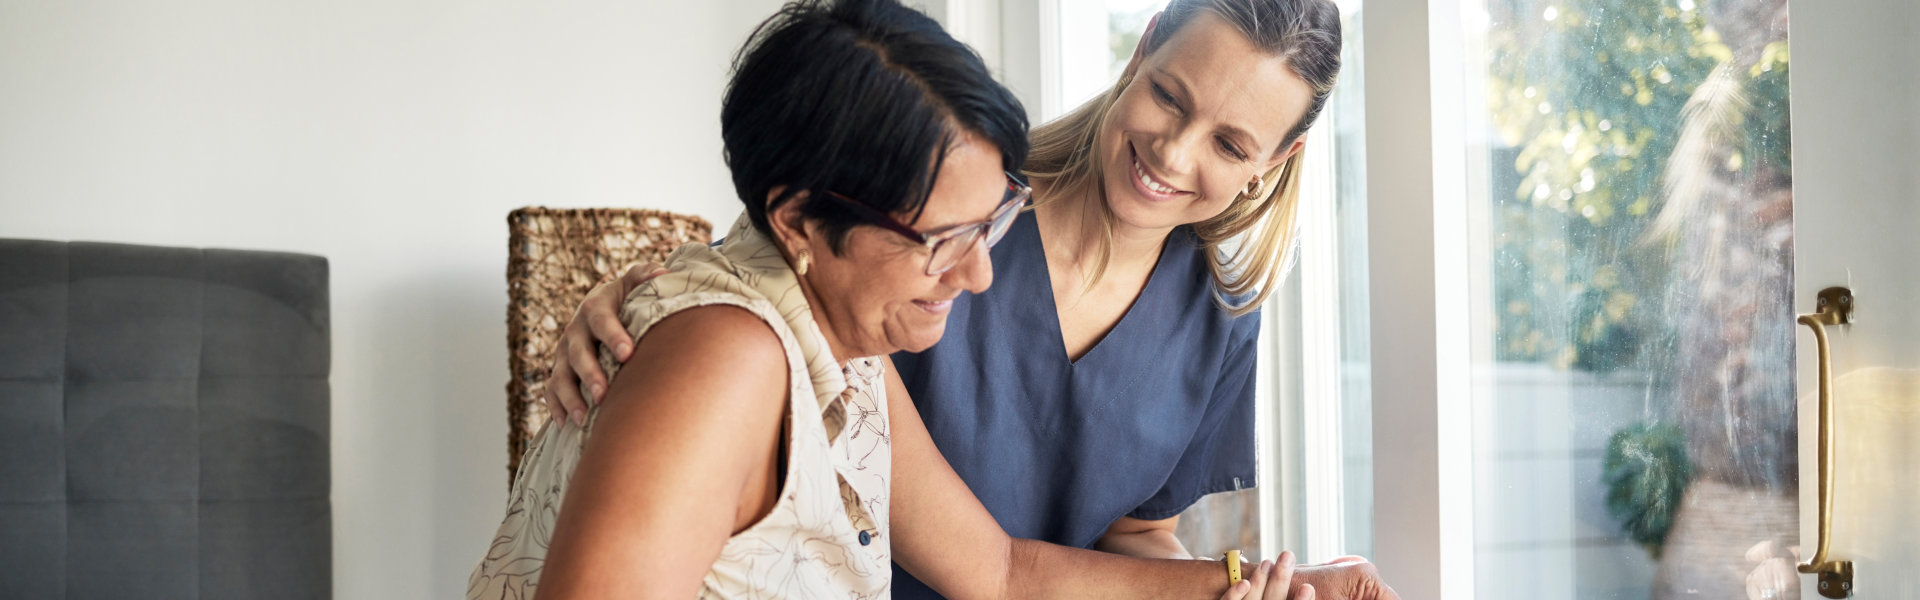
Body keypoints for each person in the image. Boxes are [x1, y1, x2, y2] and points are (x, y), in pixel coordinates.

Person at [473, 0, 1327, 598]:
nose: (980, 271)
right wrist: (649, 315)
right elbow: (753, 278)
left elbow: (1000, 573)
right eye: (950, 240)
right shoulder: (743, 347)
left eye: (1228, 141)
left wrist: (1246, 585)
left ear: (1274, 160)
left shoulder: (855, 342)